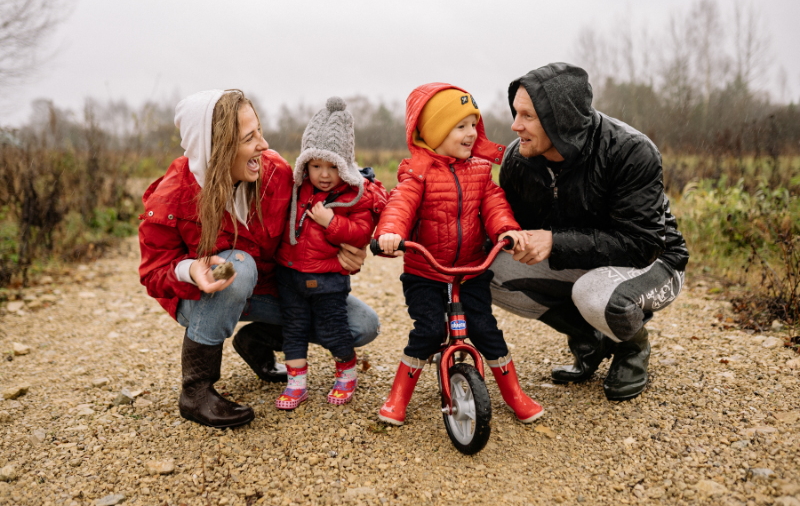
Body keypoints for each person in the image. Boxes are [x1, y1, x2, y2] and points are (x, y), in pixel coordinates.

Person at [138, 90, 382, 428]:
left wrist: (353, 243)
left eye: (260, 132)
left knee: (362, 326)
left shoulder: (277, 174)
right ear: (217, 147)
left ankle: (257, 341)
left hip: (266, 288)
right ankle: (196, 390)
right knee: (238, 264)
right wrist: (190, 269)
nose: (264, 145)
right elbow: (152, 273)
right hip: (202, 296)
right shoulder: (171, 197)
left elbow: (347, 191)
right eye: (249, 137)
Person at [489, 63, 690, 401]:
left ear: (560, 120)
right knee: (485, 268)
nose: (515, 125)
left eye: (527, 116)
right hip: (583, 258)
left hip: (657, 261)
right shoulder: (518, 159)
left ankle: (631, 349)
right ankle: (590, 340)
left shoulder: (631, 151)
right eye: (515, 113)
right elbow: (506, 225)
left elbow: (642, 244)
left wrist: (554, 241)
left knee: (594, 293)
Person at [374, 83, 543, 426]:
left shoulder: (480, 171)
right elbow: (400, 205)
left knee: (485, 330)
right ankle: (397, 398)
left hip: (470, 271)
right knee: (429, 330)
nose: (471, 134)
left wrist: (505, 229)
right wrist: (390, 233)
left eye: (473, 125)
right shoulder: (417, 172)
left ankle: (515, 394)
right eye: (460, 126)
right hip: (426, 272)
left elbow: (493, 203)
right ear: (435, 132)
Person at [274, 97, 385, 410]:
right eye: (315, 166)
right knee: (293, 329)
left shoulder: (354, 196)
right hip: (290, 274)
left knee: (332, 328)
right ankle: (296, 383)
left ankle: (346, 371)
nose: (323, 174)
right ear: (304, 165)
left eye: (332, 166)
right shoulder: (298, 189)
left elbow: (361, 232)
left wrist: (331, 222)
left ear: (345, 165)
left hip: (328, 278)